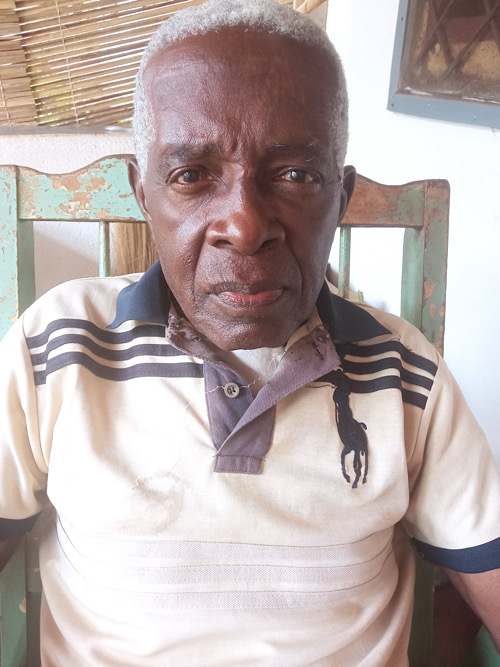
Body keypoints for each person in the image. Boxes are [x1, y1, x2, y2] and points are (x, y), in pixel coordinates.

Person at [1, 0, 499, 664]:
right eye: (191, 175)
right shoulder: (56, 347)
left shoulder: (403, 370)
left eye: (295, 175)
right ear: (143, 193)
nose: (244, 225)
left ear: (340, 198)